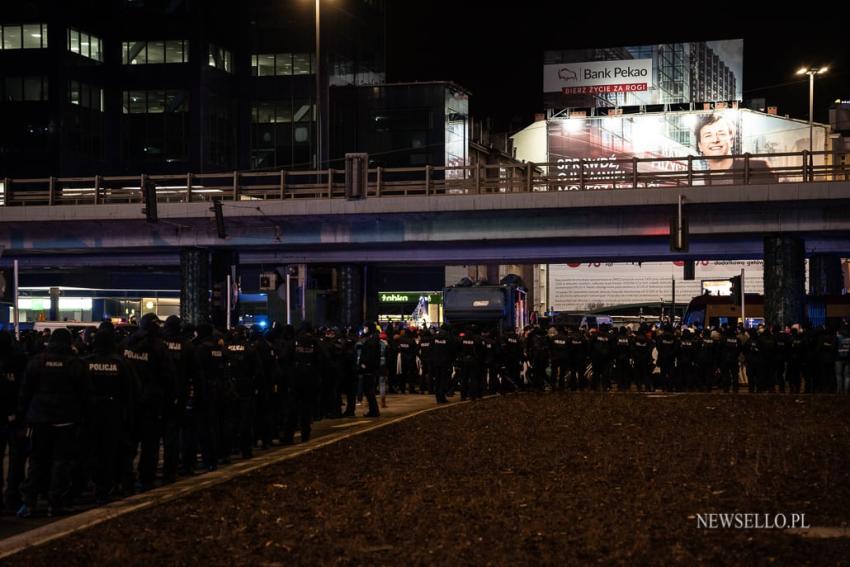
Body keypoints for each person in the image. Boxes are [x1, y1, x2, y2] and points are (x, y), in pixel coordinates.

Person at [18, 329, 92, 517]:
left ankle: (30, 501)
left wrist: (24, 416)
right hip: (65, 419)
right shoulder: (75, 364)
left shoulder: (37, 361)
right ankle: (55, 503)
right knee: (61, 462)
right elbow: (85, 393)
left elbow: (25, 391)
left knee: (37, 460)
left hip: (39, 418)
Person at [694, 113, 779, 185]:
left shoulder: (757, 168)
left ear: (731, 140)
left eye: (721, 134)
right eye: (708, 135)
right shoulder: (698, 182)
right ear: (700, 145)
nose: (715, 140)